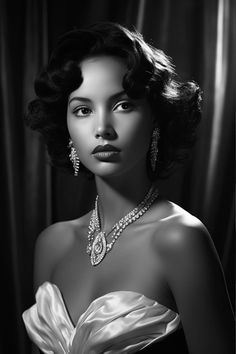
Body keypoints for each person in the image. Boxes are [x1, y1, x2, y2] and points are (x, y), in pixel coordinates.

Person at [22, 22, 234, 354]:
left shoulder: (180, 239)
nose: (102, 128)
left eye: (123, 105)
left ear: (155, 119)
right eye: (83, 110)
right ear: (65, 128)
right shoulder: (52, 244)